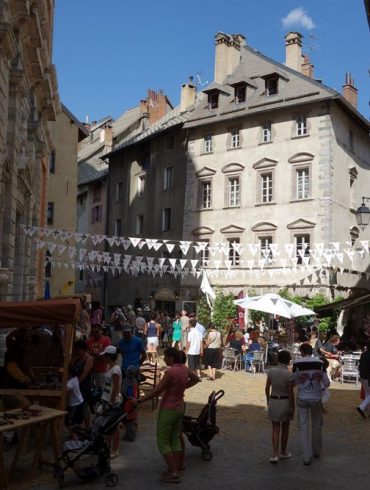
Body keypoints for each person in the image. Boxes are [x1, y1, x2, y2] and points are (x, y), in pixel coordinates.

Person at [136, 347, 200, 483]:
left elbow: (157, 391)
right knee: (175, 439)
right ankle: (176, 467)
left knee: (163, 441)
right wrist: (183, 387)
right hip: (179, 407)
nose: (164, 359)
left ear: (171, 357)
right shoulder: (183, 368)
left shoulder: (170, 372)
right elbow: (196, 378)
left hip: (168, 409)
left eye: (165, 356)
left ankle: (173, 472)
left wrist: (140, 400)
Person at [293, 343, 330, 465]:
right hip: (316, 398)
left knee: (303, 427)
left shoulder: (297, 363)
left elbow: (295, 381)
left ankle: (306, 456)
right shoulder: (320, 363)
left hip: (303, 397)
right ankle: (317, 451)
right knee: (317, 425)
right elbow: (327, 382)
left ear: (302, 352)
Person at [265, 350, 295, 463]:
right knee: (285, 429)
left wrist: (268, 399)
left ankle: (275, 454)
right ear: (288, 361)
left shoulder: (271, 371)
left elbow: (267, 388)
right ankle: (283, 451)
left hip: (274, 400)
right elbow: (291, 393)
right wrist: (292, 406)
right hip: (285, 401)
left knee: (275, 429)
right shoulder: (289, 374)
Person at [100, 346, 122, 459]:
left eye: (105, 355)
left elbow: (115, 388)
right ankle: (108, 447)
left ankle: (115, 449)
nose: (103, 358)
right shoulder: (110, 368)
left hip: (112, 402)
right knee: (108, 426)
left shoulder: (116, 369)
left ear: (109, 356)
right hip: (106, 399)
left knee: (114, 427)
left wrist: (111, 402)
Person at [73, 340, 94, 428]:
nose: (77, 352)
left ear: (84, 349)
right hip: (77, 385)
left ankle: (87, 428)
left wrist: (74, 384)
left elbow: (84, 374)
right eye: (76, 350)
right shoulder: (77, 359)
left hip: (84, 386)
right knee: (78, 407)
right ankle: (79, 427)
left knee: (85, 407)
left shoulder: (89, 359)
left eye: (78, 350)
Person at [86, 324, 111, 388]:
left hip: (102, 369)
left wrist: (92, 354)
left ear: (101, 331)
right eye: (93, 332)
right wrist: (99, 354)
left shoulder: (106, 340)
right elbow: (86, 354)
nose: (94, 334)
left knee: (101, 389)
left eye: (96, 332)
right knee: (91, 389)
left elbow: (105, 355)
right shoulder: (89, 340)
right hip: (91, 369)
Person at [66, 365, 84, 439]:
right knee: (78, 422)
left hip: (74, 405)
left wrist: (67, 405)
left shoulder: (69, 383)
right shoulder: (75, 378)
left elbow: (67, 392)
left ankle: (75, 438)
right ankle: (82, 436)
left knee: (69, 423)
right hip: (80, 401)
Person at [121, 365, 139, 441]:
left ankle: (130, 436)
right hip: (134, 401)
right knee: (132, 419)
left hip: (128, 402)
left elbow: (124, 392)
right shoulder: (135, 380)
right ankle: (132, 433)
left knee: (128, 420)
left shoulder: (126, 381)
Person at [357, 340, 370, 418]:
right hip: (368, 377)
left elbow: (360, 365)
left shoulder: (363, 354)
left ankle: (366, 409)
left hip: (362, 376)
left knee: (367, 393)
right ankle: (362, 407)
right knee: (368, 394)